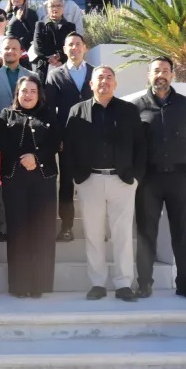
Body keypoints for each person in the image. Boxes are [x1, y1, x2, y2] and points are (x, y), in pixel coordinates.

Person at [64, 66, 146, 302]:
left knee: (122, 235)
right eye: (99, 77)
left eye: (109, 77)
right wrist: (77, 177)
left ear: (115, 84)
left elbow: (141, 146)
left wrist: (135, 178)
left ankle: (123, 284)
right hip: (89, 181)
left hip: (122, 181)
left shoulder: (129, 110)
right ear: (91, 84)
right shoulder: (77, 110)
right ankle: (98, 283)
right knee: (93, 234)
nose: (104, 81)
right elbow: (69, 147)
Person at [133, 57, 186, 301]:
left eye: (165, 70)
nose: (161, 74)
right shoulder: (137, 107)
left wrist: (179, 161)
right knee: (146, 232)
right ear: (149, 75)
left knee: (180, 231)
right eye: (156, 70)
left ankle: (184, 282)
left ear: (172, 75)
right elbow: (134, 144)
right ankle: (144, 283)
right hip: (148, 179)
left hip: (179, 177)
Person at [0, 75, 60, 298]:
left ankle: (39, 284)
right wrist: (22, 158)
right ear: (17, 93)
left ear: (39, 94)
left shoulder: (49, 115)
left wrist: (37, 158)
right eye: (24, 91)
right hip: (15, 180)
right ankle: (19, 285)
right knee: (18, 231)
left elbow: (55, 142)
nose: (28, 95)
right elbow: (1, 141)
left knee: (42, 231)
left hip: (43, 178)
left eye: (33, 91)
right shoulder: (6, 115)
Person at [0, 37, 36, 242]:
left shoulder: (32, 75)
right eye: (7, 48)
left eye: (14, 48)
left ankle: (26, 225)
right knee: (1, 180)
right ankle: (2, 227)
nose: (10, 51)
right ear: (1, 51)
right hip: (1, 135)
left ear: (21, 52)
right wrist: (4, 125)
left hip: (28, 136)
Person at [45, 33, 94, 242]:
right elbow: (50, 110)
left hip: (92, 137)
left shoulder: (95, 73)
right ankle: (66, 227)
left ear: (85, 48)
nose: (74, 48)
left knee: (93, 183)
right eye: (70, 45)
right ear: (64, 50)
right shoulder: (55, 75)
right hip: (67, 139)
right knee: (66, 183)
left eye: (78, 44)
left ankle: (96, 228)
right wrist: (58, 138)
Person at [32, 0, 77, 82]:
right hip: (44, 67)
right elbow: (38, 47)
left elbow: (72, 46)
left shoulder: (70, 27)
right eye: (52, 6)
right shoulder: (40, 25)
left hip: (64, 65)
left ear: (63, 8)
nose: (55, 8)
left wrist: (59, 56)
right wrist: (51, 58)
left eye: (58, 6)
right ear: (47, 9)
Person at [5, 0, 38, 69]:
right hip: (8, 53)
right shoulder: (6, 14)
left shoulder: (31, 14)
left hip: (24, 54)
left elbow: (34, 34)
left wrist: (20, 42)